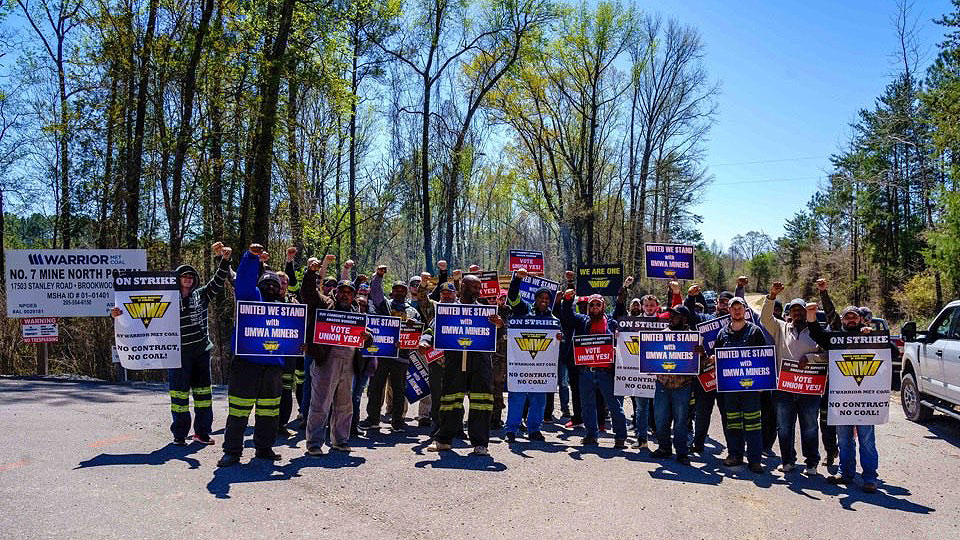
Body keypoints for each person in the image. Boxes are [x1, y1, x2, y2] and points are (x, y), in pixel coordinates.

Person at [110, 242, 230, 446]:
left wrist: (224, 260)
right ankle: (180, 434)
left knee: (203, 395)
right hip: (175, 353)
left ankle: (202, 432)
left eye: (191, 276)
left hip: (201, 351)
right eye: (184, 276)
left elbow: (217, 282)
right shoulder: (163, 297)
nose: (188, 278)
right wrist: (116, 314)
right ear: (176, 279)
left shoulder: (201, 295)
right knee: (179, 395)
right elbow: (136, 314)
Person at [217, 244, 287, 467]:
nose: (270, 287)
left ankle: (264, 448)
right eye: (266, 283)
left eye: (274, 284)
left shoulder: (286, 309)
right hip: (246, 365)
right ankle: (232, 452)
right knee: (238, 411)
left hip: (273, 368)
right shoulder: (250, 298)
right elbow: (245, 281)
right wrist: (251, 257)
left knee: (269, 412)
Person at [805, 303, 885, 493]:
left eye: (854, 317)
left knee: (866, 439)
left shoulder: (870, 336)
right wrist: (811, 313)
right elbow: (816, 333)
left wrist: (872, 335)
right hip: (840, 398)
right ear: (842, 320)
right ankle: (845, 473)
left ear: (860, 319)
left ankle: (870, 478)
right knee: (844, 439)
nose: (850, 320)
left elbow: (888, 348)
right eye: (847, 317)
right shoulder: (836, 339)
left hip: (865, 399)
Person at [424, 274, 503, 456]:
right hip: (454, 362)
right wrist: (425, 340)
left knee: (481, 403)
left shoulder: (486, 312)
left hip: (480, 364)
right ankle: (444, 440)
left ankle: (480, 443)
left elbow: (495, 337)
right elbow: (432, 329)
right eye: (474, 287)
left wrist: (499, 325)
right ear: (463, 288)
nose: (478, 291)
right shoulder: (448, 310)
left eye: (479, 288)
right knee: (450, 402)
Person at [302, 255, 371, 455]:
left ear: (354, 295)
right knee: (320, 404)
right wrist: (311, 272)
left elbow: (368, 336)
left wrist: (369, 337)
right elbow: (308, 293)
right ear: (336, 292)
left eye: (349, 292)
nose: (345, 295)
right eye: (342, 291)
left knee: (344, 405)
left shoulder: (357, 312)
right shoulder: (325, 304)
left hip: (349, 362)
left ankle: (340, 440)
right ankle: (314, 443)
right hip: (326, 361)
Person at [761, 281, 823, 475]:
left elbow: (828, 354)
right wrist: (772, 295)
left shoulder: (817, 331)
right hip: (783, 388)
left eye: (800, 310)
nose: (797, 313)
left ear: (806, 312)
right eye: (794, 310)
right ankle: (788, 461)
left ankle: (811, 463)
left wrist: (811, 357)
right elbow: (764, 318)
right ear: (789, 313)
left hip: (809, 389)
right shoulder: (780, 328)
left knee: (810, 426)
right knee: (784, 427)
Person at [559, 285, 627, 448]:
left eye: (598, 305)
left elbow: (623, 336)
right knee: (587, 405)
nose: (595, 308)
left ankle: (620, 437)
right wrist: (567, 300)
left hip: (606, 372)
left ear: (603, 306)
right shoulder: (582, 320)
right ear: (588, 307)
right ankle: (591, 434)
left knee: (613, 405)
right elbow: (566, 317)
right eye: (592, 305)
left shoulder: (611, 323)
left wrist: (617, 346)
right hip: (586, 372)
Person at [360, 266, 423, 432]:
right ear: (392, 292)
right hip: (381, 354)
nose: (400, 292)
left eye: (403, 289)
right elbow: (375, 291)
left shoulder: (412, 311)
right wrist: (378, 276)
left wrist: (413, 325)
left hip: (401, 356)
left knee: (399, 390)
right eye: (396, 289)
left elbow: (417, 333)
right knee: (375, 388)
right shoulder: (384, 306)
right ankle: (373, 419)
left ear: (406, 292)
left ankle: (398, 422)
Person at [502, 268, 558, 443]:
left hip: (541, 368)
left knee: (539, 400)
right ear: (535, 299)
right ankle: (511, 429)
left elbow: (557, 343)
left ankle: (534, 429)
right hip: (520, 365)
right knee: (517, 397)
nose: (544, 301)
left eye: (547, 299)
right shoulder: (523, 309)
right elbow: (512, 298)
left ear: (549, 302)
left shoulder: (554, 319)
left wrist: (559, 338)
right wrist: (517, 280)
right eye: (541, 298)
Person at [712, 297, 767, 473]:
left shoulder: (755, 331)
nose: (737, 311)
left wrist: (761, 384)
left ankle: (755, 460)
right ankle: (735, 455)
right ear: (729, 311)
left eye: (740, 308)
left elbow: (763, 358)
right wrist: (713, 359)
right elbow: (716, 357)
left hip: (751, 388)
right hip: (730, 388)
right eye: (733, 308)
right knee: (733, 422)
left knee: (753, 424)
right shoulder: (722, 333)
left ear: (745, 310)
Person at [651, 305, 699, 465]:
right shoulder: (661, 335)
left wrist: (702, 355)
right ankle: (664, 448)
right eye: (670, 315)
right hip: (662, 384)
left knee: (681, 420)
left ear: (684, 319)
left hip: (683, 386)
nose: (670, 317)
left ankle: (682, 452)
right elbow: (652, 357)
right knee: (660, 418)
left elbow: (700, 364)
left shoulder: (693, 337)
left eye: (675, 316)